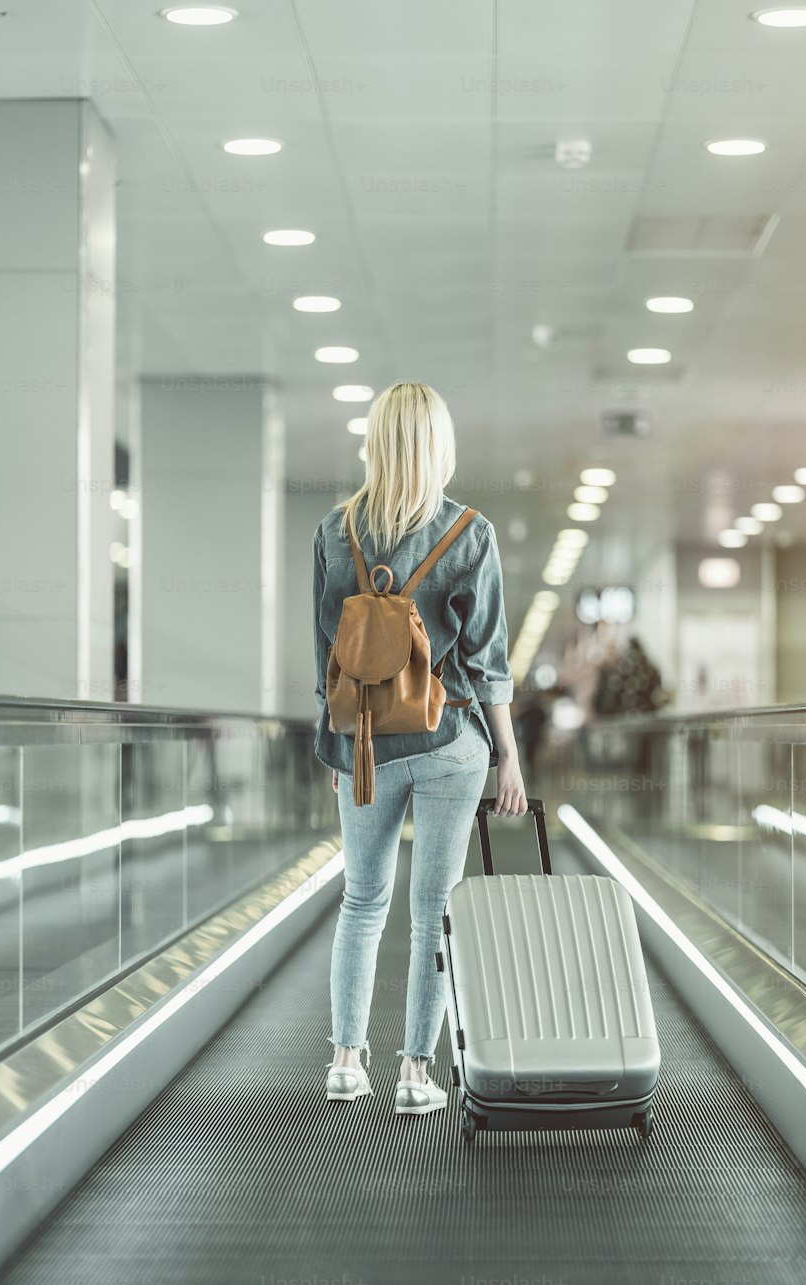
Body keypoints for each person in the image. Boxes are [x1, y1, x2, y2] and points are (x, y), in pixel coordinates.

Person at [311, 381, 527, 1117]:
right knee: (433, 908)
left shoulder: (334, 531)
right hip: (448, 742)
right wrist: (510, 758)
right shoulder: (470, 532)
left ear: (375, 440)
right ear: (439, 445)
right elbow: (490, 660)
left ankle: (345, 1061)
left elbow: (327, 658)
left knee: (362, 900)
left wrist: (337, 745)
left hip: (366, 743)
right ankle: (414, 1073)